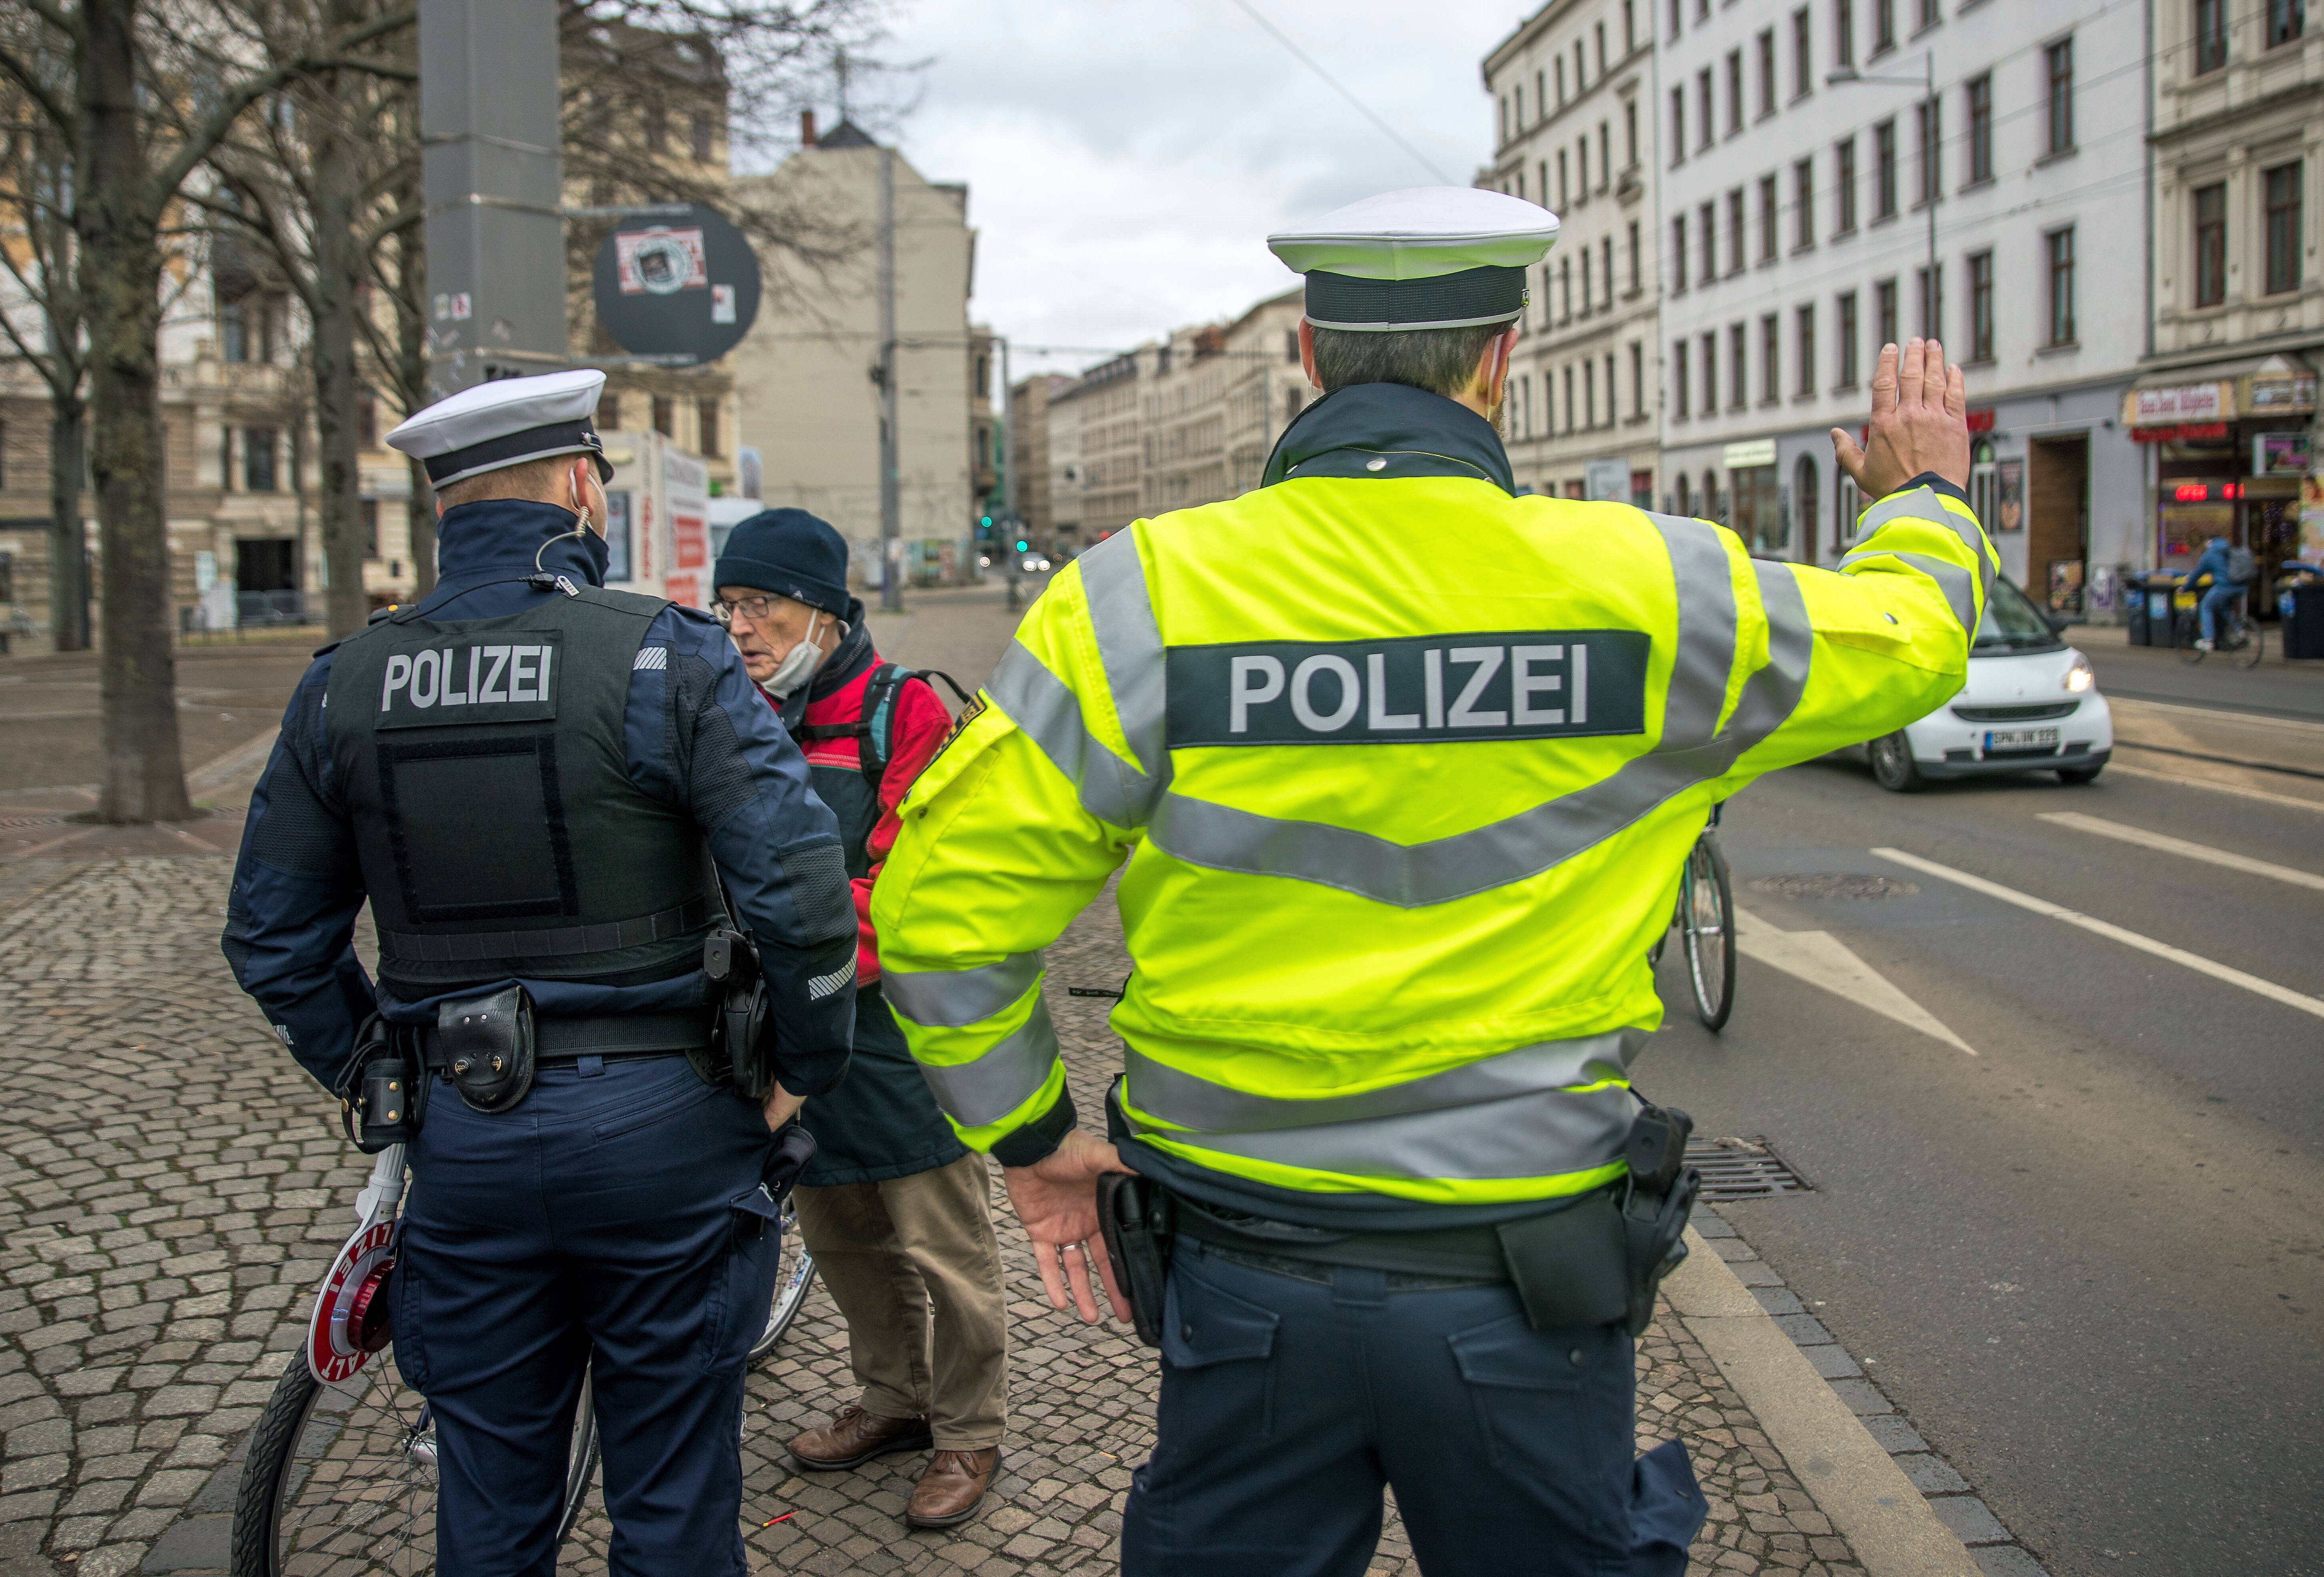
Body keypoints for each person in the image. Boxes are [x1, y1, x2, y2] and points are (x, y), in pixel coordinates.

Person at [869, 187, 1996, 1576]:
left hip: (1238, 1267)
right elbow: (1914, 635)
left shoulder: (1137, 596)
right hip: (1525, 1276)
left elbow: (941, 920)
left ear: (1308, 357)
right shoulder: (1652, 585)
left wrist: (1034, 1137)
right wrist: (1924, 496)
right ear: (1500, 360)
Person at [220, 369, 859, 1577]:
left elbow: (271, 937)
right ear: (578, 489)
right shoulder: (665, 654)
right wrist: (802, 1069)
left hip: (467, 1142)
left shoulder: (343, 681)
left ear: (442, 509)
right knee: (673, 1499)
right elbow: (799, 886)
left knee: (489, 1500)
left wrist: (383, 1074)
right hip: (668, 1137)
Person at [709, 509, 1012, 1528]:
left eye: (761, 604)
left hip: (896, 1036)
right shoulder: (735, 714)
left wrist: (795, 946)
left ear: (825, 613)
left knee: (943, 1244)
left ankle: (967, 1428)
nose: (740, 626)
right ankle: (894, 1399)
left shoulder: (904, 710)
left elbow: (912, 889)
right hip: (794, 1037)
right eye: (728, 605)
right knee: (839, 1235)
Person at [2182, 533, 2253, 650]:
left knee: (2206, 606)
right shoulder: (2230, 550)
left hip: (2225, 587)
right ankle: (2240, 631)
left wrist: (2185, 589)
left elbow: (2196, 575)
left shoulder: (2209, 554)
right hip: (2242, 587)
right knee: (2224, 608)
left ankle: (2208, 641)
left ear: (2209, 542)